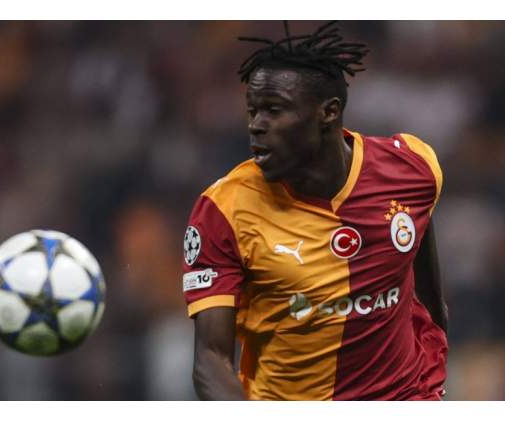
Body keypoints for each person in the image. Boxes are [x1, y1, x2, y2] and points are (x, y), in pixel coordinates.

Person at [182, 21, 448, 400]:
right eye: (253, 111)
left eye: (274, 110)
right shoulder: (223, 209)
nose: (256, 126)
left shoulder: (412, 168)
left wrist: (434, 360)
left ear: (329, 112)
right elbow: (210, 359)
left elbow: (430, 296)